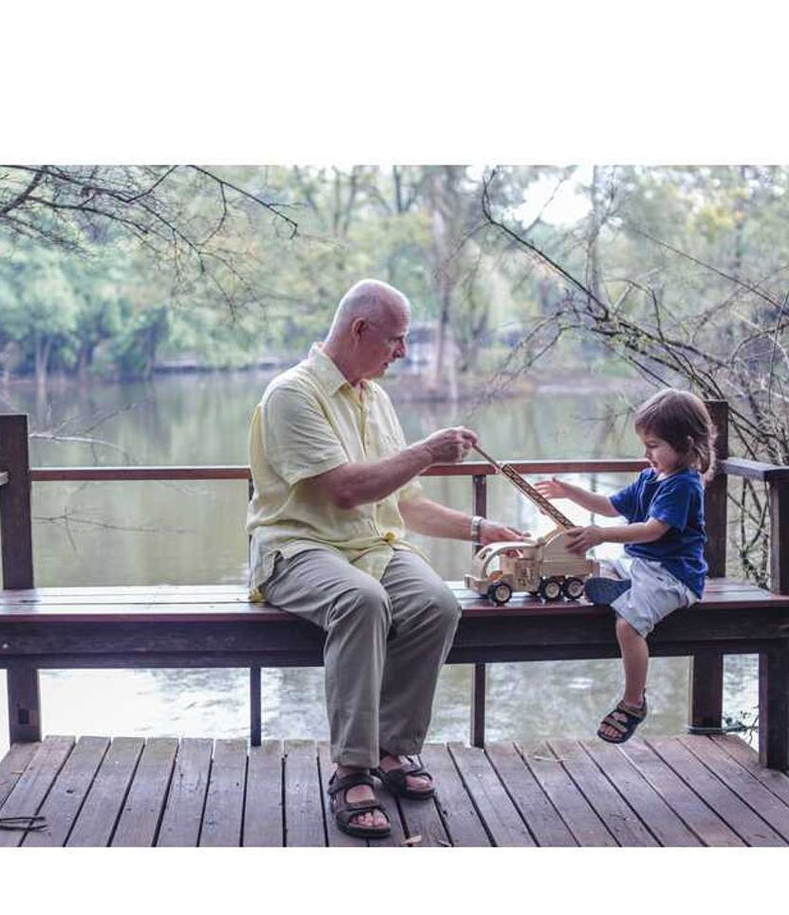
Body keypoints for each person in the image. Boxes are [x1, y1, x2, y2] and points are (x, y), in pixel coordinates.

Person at [246, 279, 523, 839]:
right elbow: (346, 491)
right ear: (359, 330)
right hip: (297, 547)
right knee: (361, 600)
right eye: (395, 340)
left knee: (439, 605)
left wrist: (478, 528)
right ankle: (352, 768)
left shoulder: (376, 397)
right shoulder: (292, 395)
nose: (402, 352)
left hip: (371, 547)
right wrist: (426, 451)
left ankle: (394, 750)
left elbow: (404, 503)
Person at [534, 388, 716, 744]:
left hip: (673, 576)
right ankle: (619, 588)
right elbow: (608, 506)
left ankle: (633, 702)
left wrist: (601, 535)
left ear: (686, 443)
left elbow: (653, 530)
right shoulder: (652, 477)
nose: (646, 453)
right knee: (591, 565)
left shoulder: (684, 485)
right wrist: (568, 490)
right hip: (641, 564)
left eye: (654, 445)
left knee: (627, 626)